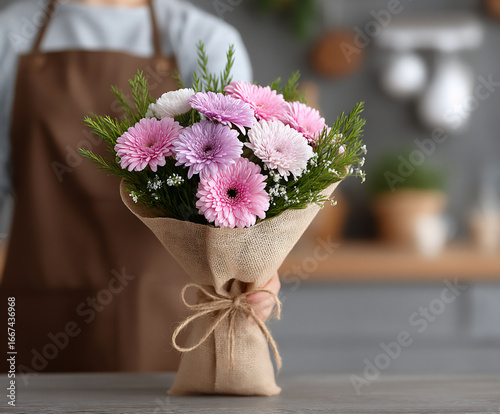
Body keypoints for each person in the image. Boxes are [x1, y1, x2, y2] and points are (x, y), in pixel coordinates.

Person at [0, 0, 280, 373]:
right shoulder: (9, 35)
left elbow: (241, 184)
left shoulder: (205, 40)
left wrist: (258, 270)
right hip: (42, 302)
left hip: (175, 309)